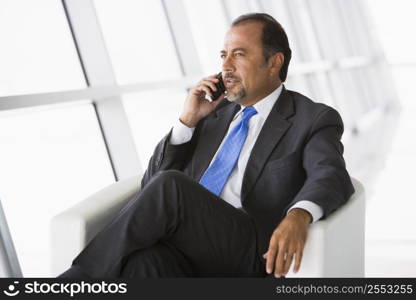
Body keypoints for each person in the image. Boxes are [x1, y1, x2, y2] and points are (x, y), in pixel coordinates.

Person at [59, 13, 354, 278]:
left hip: (251, 252)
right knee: (142, 265)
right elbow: (151, 187)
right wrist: (187, 121)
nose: (225, 66)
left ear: (274, 62)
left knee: (171, 186)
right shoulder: (212, 115)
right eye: (223, 55)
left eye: (238, 55)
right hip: (191, 248)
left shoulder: (311, 118)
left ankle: (73, 283)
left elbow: (330, 174)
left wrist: (299, 215)